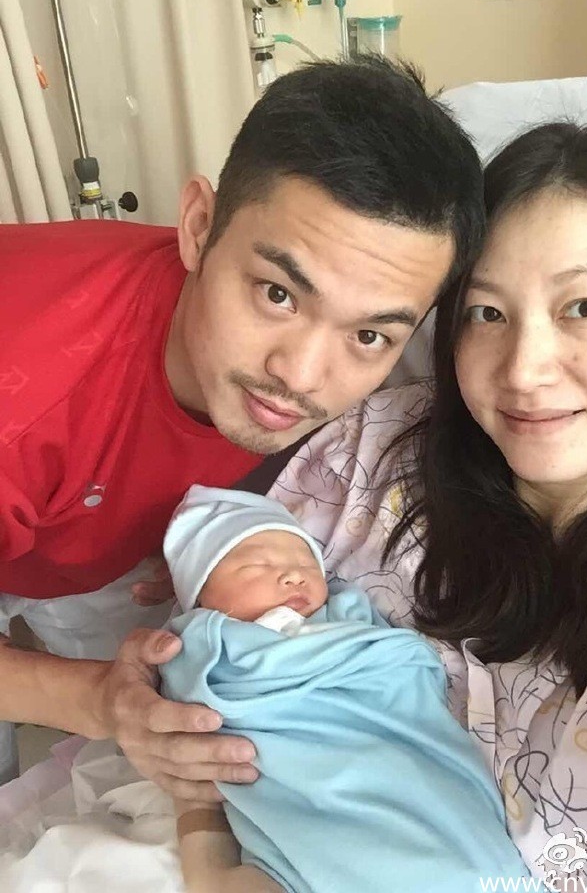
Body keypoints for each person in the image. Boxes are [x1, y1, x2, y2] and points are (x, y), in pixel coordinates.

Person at [0, 55, 484, 793]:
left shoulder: (358, 394)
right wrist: (92, 698)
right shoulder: (29, 398)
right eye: (278, 294)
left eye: (369, 335)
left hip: (69, 529)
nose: (301, 376)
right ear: (199, 226)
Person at [264, 120, 587, 882]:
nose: (523, 370)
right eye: (486, 313)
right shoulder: (373, 454)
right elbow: (219, 669)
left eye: (585, 307)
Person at [158, 485, 528, 893]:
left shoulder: (347, 615)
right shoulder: (202, 646)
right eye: (256, 565)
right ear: (201, 599)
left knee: (458, 857)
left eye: (305, 561)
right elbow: (175, 718)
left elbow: (400, 664)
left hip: (390, 757)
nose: (294, 574)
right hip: (298, 793)